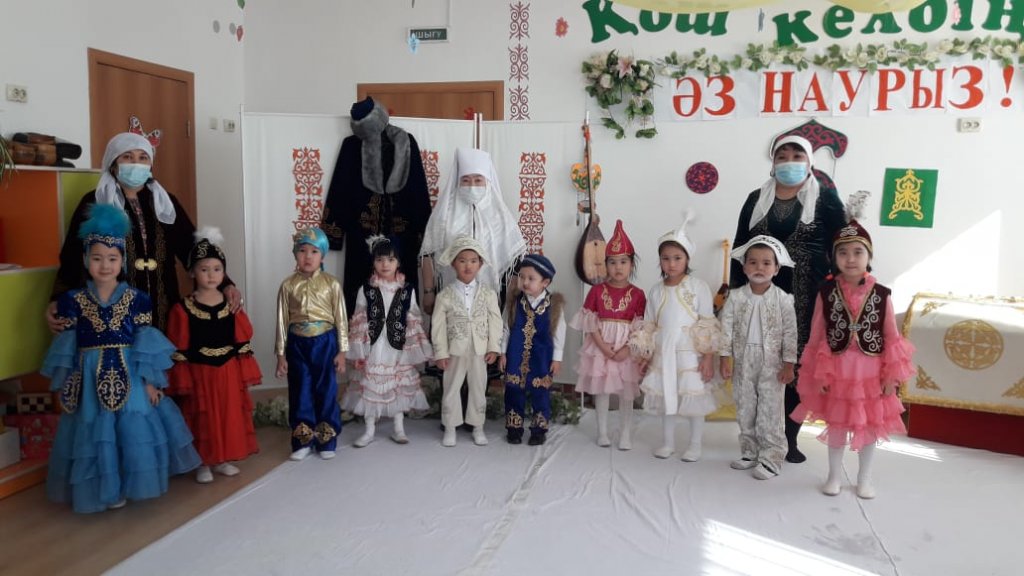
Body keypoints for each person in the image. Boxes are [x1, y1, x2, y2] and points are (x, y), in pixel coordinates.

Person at [42, 204, 200, 513]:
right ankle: (104, 489)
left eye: (112, 259)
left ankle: (129, 482)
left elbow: (145, 343)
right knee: (95, 433)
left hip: (129, 373)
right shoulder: (73, 301)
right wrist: (68, 382)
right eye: (97, 258)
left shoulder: (137, 300)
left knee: (132, 431)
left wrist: (151, 382)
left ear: (122, 261)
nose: (105, 265)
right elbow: (67, 346)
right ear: (86, 260)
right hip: (88, 377)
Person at [48, 132, 241, 332]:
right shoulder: (95, 201)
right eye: (127, 157)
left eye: (143, 157)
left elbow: (192, 247)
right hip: (111, 308)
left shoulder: (165, 202)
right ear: (113, 164)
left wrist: (225, 284)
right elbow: (73, 254)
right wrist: (58, 299)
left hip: (163, 303)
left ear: (150, 165)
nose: (136, 163)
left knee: (162, 348)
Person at [730, 134, 846, 464]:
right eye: (782, 155)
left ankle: (788, 439)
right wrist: (735, 294)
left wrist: (850, 290)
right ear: (773, 161)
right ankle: (757, 438)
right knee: (759, 364)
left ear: (810, 162)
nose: (790, 161)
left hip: (806, 296)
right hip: (758, 294)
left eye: (797, 155)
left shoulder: (825, 199)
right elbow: (740, 246)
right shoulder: (756, 199)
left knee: (793, 365)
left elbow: (843, 245)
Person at [790, 197, 915, 499]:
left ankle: (864, 478)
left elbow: (891, 336)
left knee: (868, 426)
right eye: (843, 253)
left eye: (858, 252)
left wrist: (890, 376)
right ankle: (833, 475)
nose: (850, 259)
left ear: (868, 256)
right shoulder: (826, 292)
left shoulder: (882, 294)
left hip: (870, 372)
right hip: (837, 370)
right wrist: (818, 373)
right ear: (833, 257)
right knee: (837, 424)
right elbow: (817, 334)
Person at [166, 228, 262, 484]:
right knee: (204, 417)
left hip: (227, 371)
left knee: (228, 414)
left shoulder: (231, 305)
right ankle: (203, 462)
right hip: (200, 373)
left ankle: (222, 459)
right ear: (192, 272)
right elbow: (180, 346)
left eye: (217, 269)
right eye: (204, 269)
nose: (211, 275)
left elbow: (240, 340)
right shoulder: (183, 308)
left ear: (224, 272)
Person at [321, 97, 431, 314]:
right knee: (360, 297)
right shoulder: (352, 146)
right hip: (361, 235)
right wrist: (332, 235)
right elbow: (339, 190)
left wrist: (424, 237)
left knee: (402, 299)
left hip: (403, 236)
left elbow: (418, 188)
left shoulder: (406, 142)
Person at [638, 213, 721, 462]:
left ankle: (695, 444)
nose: (671, 264)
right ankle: (668, 442)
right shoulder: (655, 291)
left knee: (694, 398)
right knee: (667, 396)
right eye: (665, 258)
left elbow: (707, 322)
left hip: (689, 353)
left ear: (687, 259)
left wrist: (708, 357)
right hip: (663, 352)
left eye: (677, 258)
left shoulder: (698, 287)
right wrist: (645, 355)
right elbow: (649, 324)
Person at [719, 235, 798, 480]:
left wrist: (789, 364)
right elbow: (726, 328)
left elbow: (790, 333)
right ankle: (749, 451)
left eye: (766, 263)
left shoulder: (783, 299)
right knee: (745, 407)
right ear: (744, 267)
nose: (759, 267)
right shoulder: (735, 297)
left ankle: (772, 457)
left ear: (776, 269)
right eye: (753, 262)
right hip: (743, 361)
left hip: (772, 363)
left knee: (770, 410)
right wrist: (725, 357)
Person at [341, 235, 432, 447]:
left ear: (398, 262)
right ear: (373, 262)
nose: (385, 264)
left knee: (397, 384)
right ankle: (369, 430)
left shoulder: (407, 290)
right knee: (371, 385)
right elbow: (359, 320)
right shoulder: (366, 289)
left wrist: (413, 348)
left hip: (397, 346)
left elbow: (412, 318)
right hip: (374, 346)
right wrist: (359, 351)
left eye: (391, 260)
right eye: (380, 259)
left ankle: (399, 428)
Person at [419, 147, 526, 311]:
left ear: (487, 181)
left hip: (491, 298)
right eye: (466, 180)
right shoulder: (443, 214)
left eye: (478, 180)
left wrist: (512, 301)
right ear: (458, 181)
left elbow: (514, 260)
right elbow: (428, 253)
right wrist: (428, 292)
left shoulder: (500, 215)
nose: (472, 186)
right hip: (449, 296)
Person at [570, 220, 646, 450]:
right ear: (605, 265)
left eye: (623, 262)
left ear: (631, 264)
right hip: (600, 347)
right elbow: (589, 322)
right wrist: (603, 348)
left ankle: (625, 434)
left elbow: (640, 327)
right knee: (601, 389)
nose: (617, 267)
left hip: (626, 349)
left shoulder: (638, 294)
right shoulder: (596, 291)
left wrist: (626, 350)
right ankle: (602, 432)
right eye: (612, 262)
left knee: (626, 393)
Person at [275, 227, 348, 461]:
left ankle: (327, 439)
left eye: (314, 251)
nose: (308, 256)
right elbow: (281, 321)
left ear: (322, 255)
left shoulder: (331, 284)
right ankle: (302, 439)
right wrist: (281, 355)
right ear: (295, 254)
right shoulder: (288, 285)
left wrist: (342, 351)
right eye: (302, 250)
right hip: (297, 344)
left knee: (326, 390)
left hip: (325, 342)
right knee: (300, 391)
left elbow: (341, 319)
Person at [430, 236, 503, 447]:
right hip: (455, 349)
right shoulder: (445, 295)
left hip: (480, 350)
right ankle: (450, 427)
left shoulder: (488, 294)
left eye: (473, 261)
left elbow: (495, 321)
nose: (468, 265)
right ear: (454, 263)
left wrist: (494, 347)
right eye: (462, 260)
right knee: (451, 387)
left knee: (478, 387)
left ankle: (478, 426)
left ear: (480, 264)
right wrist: (440, 352)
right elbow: (438, 326)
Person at [500, 254, 565, 446]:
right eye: (522, 277)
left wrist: (557, 358)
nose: (525, 282)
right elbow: (505, 328)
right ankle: (514, 427)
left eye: (531, 278)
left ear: (545, 282)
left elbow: (559, 332)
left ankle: (539, 429)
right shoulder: (513, 302)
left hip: (542, 355)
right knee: (513, 389)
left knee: (540, 391)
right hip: (515, 353)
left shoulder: (554, 305)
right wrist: (502, 352)